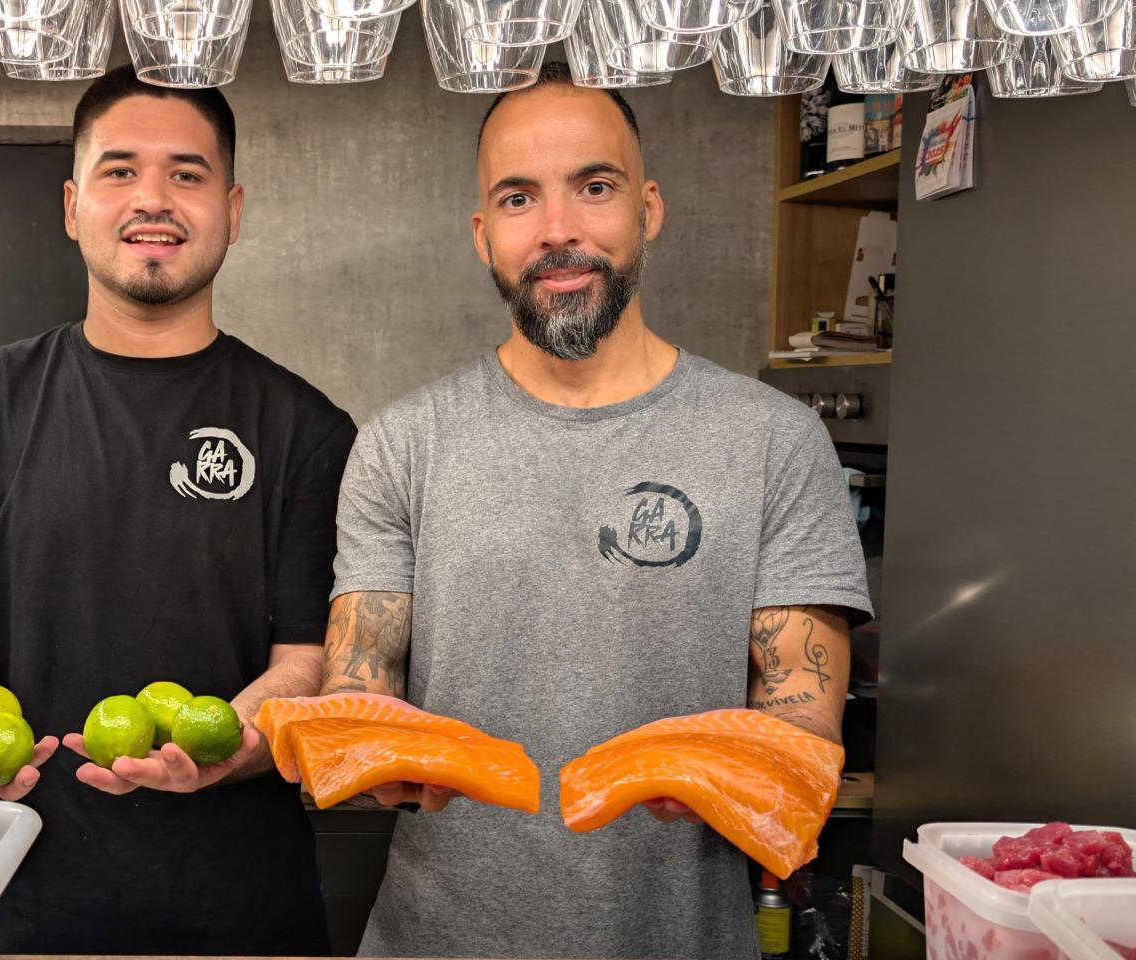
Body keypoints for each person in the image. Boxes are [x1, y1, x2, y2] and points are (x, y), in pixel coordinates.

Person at [318, 62, 871, 959]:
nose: (559, 231)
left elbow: (803, 715)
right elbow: (359, 675)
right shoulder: (401, 444)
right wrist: (377, 756)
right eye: (518, 199)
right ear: (481, 233)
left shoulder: (774, 440)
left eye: (595, 187)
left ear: (648, 209)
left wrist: (725, 774)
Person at [0, 65, 353, 956]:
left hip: (246, 911)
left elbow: (307, 659)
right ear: (72, 204)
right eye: (120, 170)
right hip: (22, 902)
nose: (154, 199)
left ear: (233, 210)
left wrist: (227, 745)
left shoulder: (309, 429)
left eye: (188, 174)